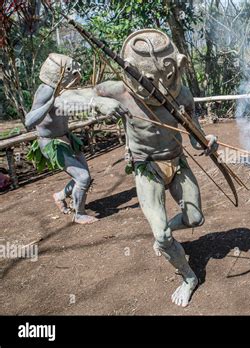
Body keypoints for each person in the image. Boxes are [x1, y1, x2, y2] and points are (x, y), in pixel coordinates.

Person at [79, 29, 219, 307]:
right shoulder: (119, 90)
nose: (162, 82)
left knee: (195, 219)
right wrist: (99, 102)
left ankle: (164, 238)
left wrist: (207, 142)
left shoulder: (182, 93)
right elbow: (71, 98)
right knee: (163, 235)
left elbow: (195, 135)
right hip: (147, 168)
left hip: (177, 162)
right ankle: (188, 276)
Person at [25, 53, 127, 224]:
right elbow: (29, 121)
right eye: (73, 74)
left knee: (84, 176)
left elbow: (77, 100)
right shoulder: (46, 91)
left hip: (67, 137)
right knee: (83, 178)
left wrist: (100, 100)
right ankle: (79, 214)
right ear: (61, 74)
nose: (77, 78)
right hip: (51, 142)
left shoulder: (62, 90)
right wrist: (49, 105)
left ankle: (59, 196)